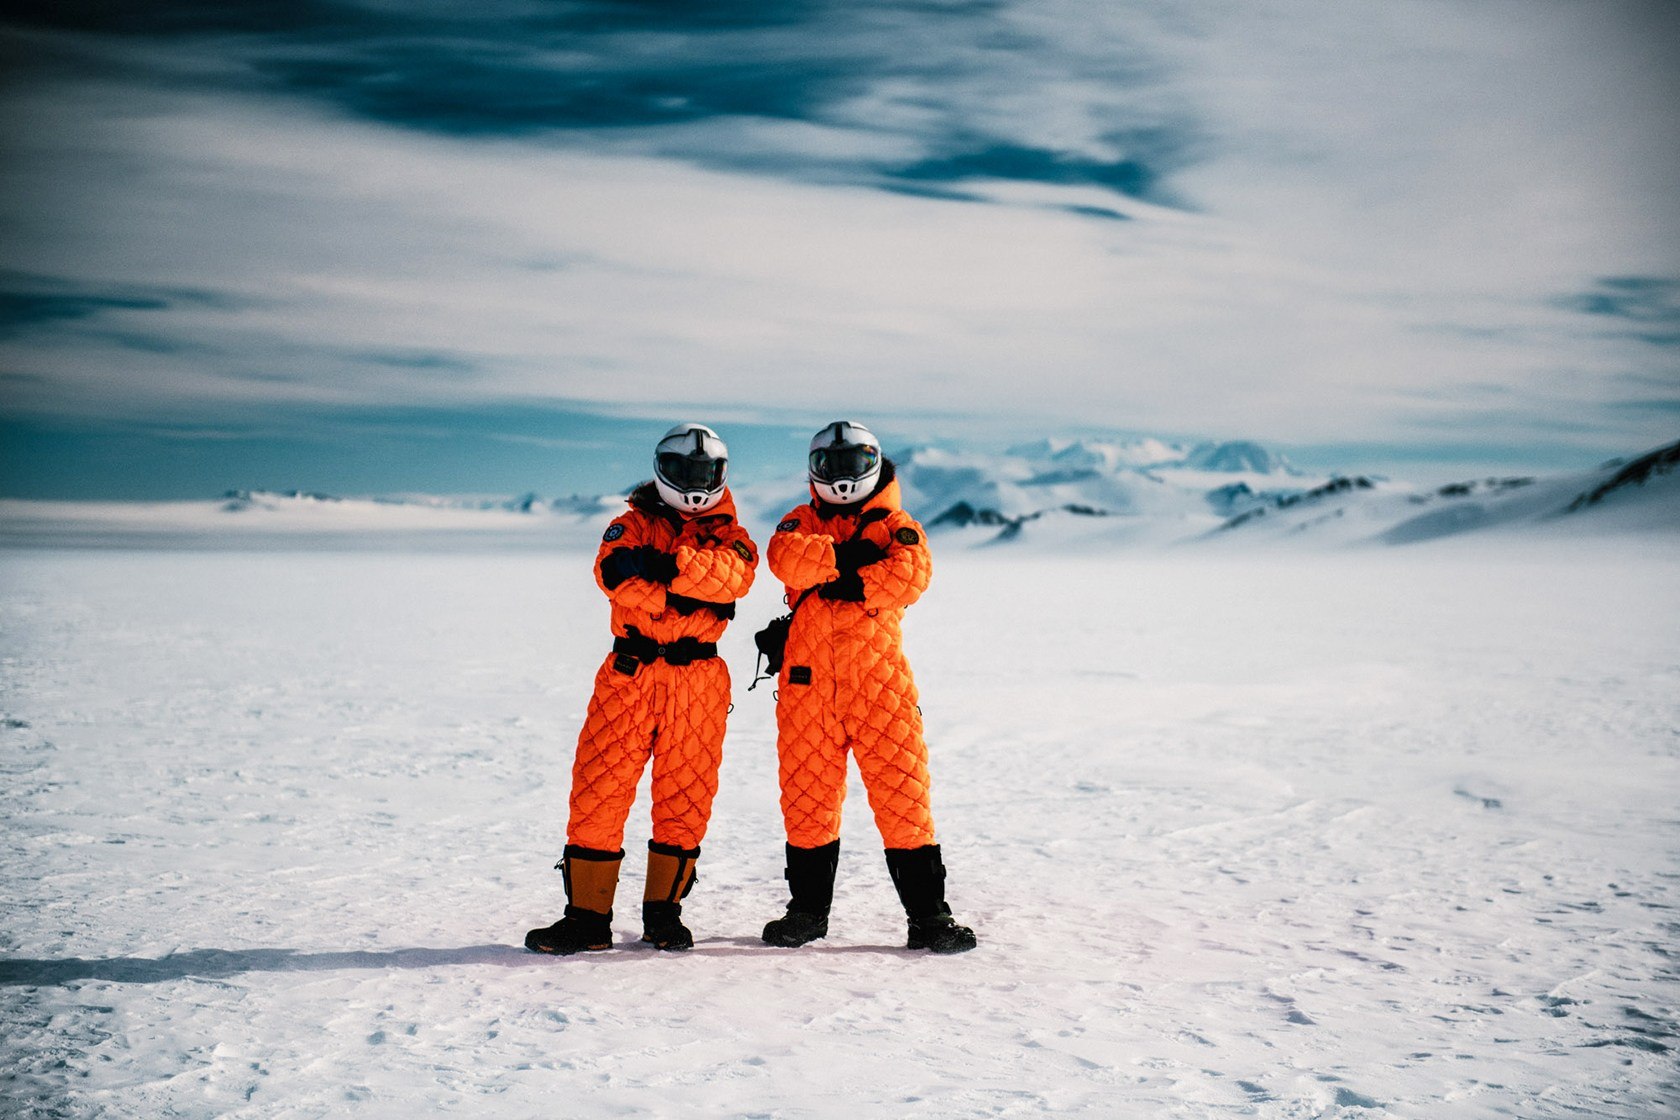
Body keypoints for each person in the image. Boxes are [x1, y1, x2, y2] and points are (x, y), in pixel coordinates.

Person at [526, 423, 757, 954]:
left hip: (697, 681)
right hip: (629, 675)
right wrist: (691, 593)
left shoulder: (735, 538)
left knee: (686, 796)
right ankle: (586, 919)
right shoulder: (627, 524)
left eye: (706, 471)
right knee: (598, 792)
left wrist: (661, 573)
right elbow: (615, 576)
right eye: (684, 471)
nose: (695, 481)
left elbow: (732, 579)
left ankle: (664, 916)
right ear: (663, 471)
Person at [760, 420, 977, 953]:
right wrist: (853, 563)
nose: (842, 475)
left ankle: (929, 919)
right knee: (807, 803)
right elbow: (784, 557)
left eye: (853, 463)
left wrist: (836, 574)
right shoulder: (799, 520)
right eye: (831, 465)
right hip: (808, 688)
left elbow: (910, 573)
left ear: (873, 464)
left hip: (879, 686)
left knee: (904, 798)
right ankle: (807, 914)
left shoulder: (897, 524)